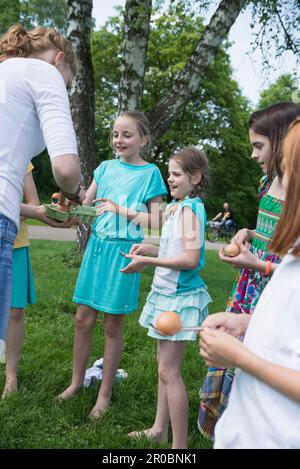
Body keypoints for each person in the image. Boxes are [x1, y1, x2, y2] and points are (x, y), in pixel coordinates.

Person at [198, 102, 300, 440]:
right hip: (255, 286)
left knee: (256, 355)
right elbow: (275, 236)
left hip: (270, 282)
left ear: (283, 141)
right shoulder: (268, 182)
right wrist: (249, 234)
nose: (253, 153)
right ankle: (224, 422)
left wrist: (258, 263)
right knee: (236, 349)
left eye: (259, 145)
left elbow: (289, 257)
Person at [57, 111, 168, 418]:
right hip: (96, 250)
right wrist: (66, 208)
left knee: (112, 324)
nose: (119, 140)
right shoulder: (104, 168)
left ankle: (104, 393)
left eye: (127, 135)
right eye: (116, 134)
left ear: (143, 140)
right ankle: (76, 383)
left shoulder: (151, 174)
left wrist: (122, 211)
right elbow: (87, 207)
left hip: (124, 252)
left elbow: (159, 220)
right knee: (82, 319)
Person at [122, 146, 212, 449]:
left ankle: (179, 448)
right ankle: (159, 429)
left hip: (180, 299)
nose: (170, 180)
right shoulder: (178, 207)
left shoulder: (190, 210)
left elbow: (190, 260)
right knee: (163, 365)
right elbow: (174, 251)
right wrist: (151, 250)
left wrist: (149, 262)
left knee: (169, 371)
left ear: (195, 177)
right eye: (169, 174)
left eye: (176, 174)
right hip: (166, 295)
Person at [0, 24, 85, 345]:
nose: (65, 89)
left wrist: (36, 212)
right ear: (59, 60)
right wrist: (72, 195)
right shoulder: (43, 72)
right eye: (69, 83)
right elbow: (65, 167)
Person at [2, 163, 38, 397]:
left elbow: (34, 204)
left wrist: (8, 209)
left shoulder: (21, 159)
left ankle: (11, 375)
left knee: (15, 312)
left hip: (15, 244)